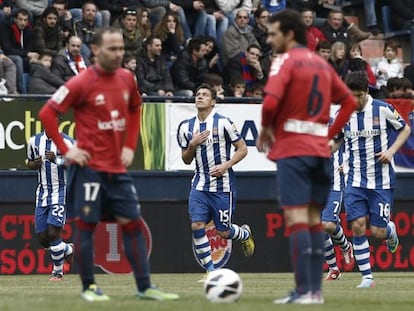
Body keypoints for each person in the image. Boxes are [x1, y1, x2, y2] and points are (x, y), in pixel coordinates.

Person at [38, 27, 179, 302]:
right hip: (89, 169)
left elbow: (136, 108)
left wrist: (129, 146)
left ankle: (145, 287)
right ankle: (89, 287)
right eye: (112, 49)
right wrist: (68, 149)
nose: (118, 54)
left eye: (122, 49)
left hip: (118, 170)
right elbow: (47, 114)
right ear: (96, 50)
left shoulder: (127, 78)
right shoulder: (81, 82)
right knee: (87, 227)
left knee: (133, 224)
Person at [256, 9, 357, 304]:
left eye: (273, 33)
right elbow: (349, 102)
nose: (269, 38)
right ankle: (314, 292)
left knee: (298, 219)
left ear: (289, 34)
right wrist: (329, 136)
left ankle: (304, 291)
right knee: (313, 220)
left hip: (294, 150)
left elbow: (271, 100)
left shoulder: (284, 61)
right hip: (319, 152)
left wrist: (265, 129)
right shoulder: (322, 64)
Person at [334, 71, 410, 288]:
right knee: (357, 226)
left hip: (381, 181)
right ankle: (367, 278)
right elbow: (337, 141)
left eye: (357, 96)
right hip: (354, 180)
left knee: (377, 231)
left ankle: (389, 230)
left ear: (366, 92)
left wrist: (392, 151)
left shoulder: (382, 108)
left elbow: (405, 129)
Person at [177, 83, 255, 280]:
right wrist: (192, 145)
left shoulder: (223, 123)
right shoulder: (186, 127)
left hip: (223, 187)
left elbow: (243, 149)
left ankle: (244, 234)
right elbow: (186, 159)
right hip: (199, 185)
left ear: (213, 101)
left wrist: (226, 165)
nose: (199, 97)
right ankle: (211, 272)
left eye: (204, 95)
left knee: (223, 232)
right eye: (197, 94)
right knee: (197, 226)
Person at [26, 129, 75, 281]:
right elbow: (29, 162)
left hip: (60, 191)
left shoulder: (68, 142)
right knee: (43, 237)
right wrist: (35, 163)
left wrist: (57, 160)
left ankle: (57, 272)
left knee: (54, 233)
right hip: (42, 193)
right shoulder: (34, 141)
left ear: (58, 120)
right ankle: (68, 248)